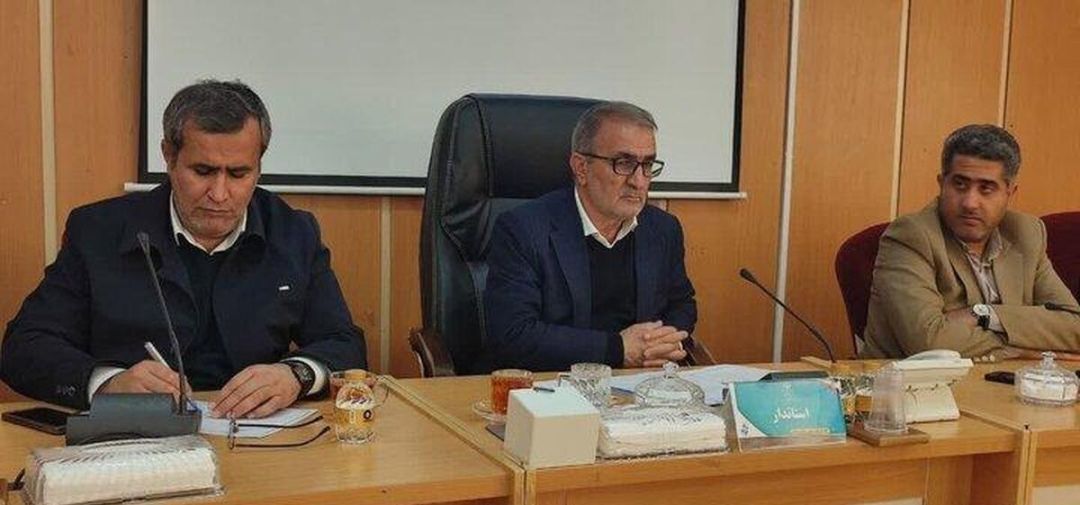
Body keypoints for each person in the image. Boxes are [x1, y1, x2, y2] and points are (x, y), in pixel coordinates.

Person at [0, 80, 366, 417]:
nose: (219, 194)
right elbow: (24, 348)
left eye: (238, 174)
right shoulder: (99, 231)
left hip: (254, 436)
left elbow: (344, 343)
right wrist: (107, 383)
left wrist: (296, 374)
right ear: (169, 156)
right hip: (135, 438)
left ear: (259, 166)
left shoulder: (293, 233)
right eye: (203, 171)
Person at [484, 101, 697, 372]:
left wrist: (661, 343)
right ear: (581, 168)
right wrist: (618, 349)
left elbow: (681, 304)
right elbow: (514, 335)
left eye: (647, 165)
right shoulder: (523, 230)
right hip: (552, 384)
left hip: (640, 382)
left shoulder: (663, 229)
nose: (639, 181)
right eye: (624, 163)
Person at [861, 124, 1080, 359]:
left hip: (1002, 380)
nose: (970, 203)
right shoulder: (910, 236)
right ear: (942, 183)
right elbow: (930, 342)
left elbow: (1074, 326)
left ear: (1010, 193)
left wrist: (985, 315)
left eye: (986, 189)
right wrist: (1020, 349)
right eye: (960, 184)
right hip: (915, 381)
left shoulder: (1026, 233)